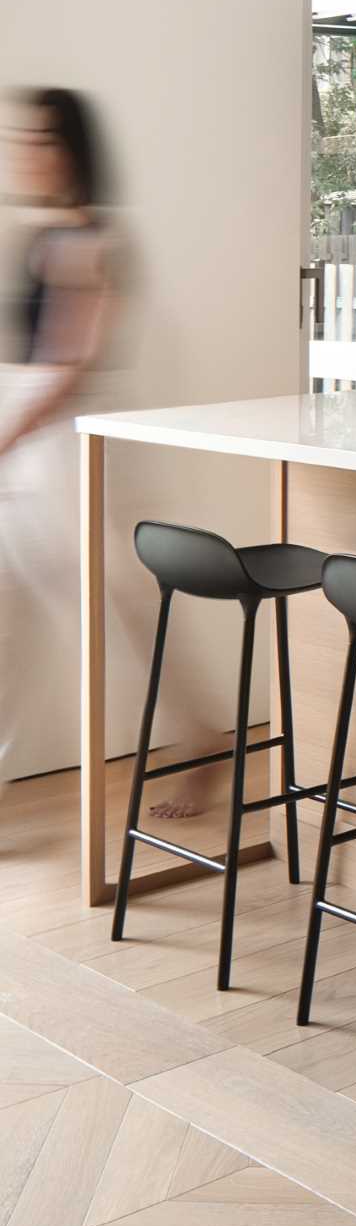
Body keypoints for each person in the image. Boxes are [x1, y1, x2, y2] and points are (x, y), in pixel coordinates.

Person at [0, 88, 122, 781]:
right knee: (14, 625)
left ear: (71, 151)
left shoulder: (87, 240)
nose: (24, 153)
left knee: (111, 615)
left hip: (55, 452)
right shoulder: (47, 234)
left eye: (40, 140)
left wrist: (7, 435)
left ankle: (197, 740)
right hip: (26, 443)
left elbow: (67, 367)